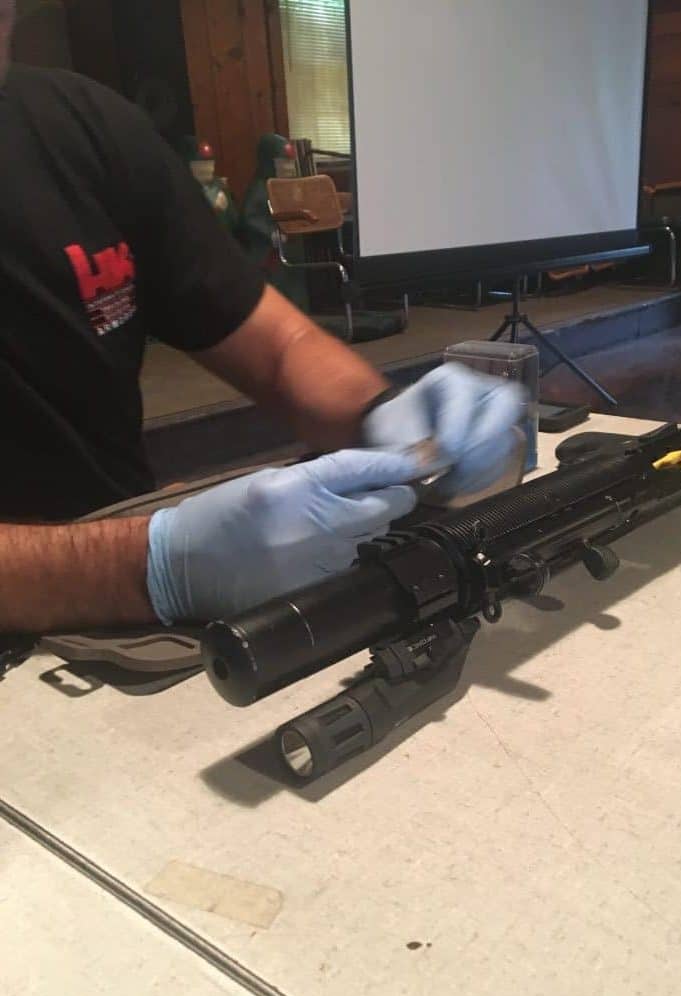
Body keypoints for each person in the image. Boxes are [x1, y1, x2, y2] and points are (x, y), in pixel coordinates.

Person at [0, 1, 521, 634]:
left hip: (122, 617)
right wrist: (148, 566)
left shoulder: (82, 129)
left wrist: (382, 414)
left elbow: (277, 344)